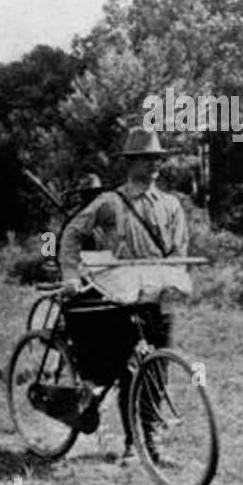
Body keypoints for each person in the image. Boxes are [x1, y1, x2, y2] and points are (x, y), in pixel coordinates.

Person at [59, 128, 190, 459]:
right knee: (129, 368)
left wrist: (174, 279)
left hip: (158, 294)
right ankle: (134, 443)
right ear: (131, 163)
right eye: (147, 159)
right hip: (122, 295)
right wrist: (71, 273)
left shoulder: (172, 205)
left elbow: (179, 251)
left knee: (159, 368)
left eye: (158, 159)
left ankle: (151, 442)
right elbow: (72, 234)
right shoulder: (110, 202)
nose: (154, 165)